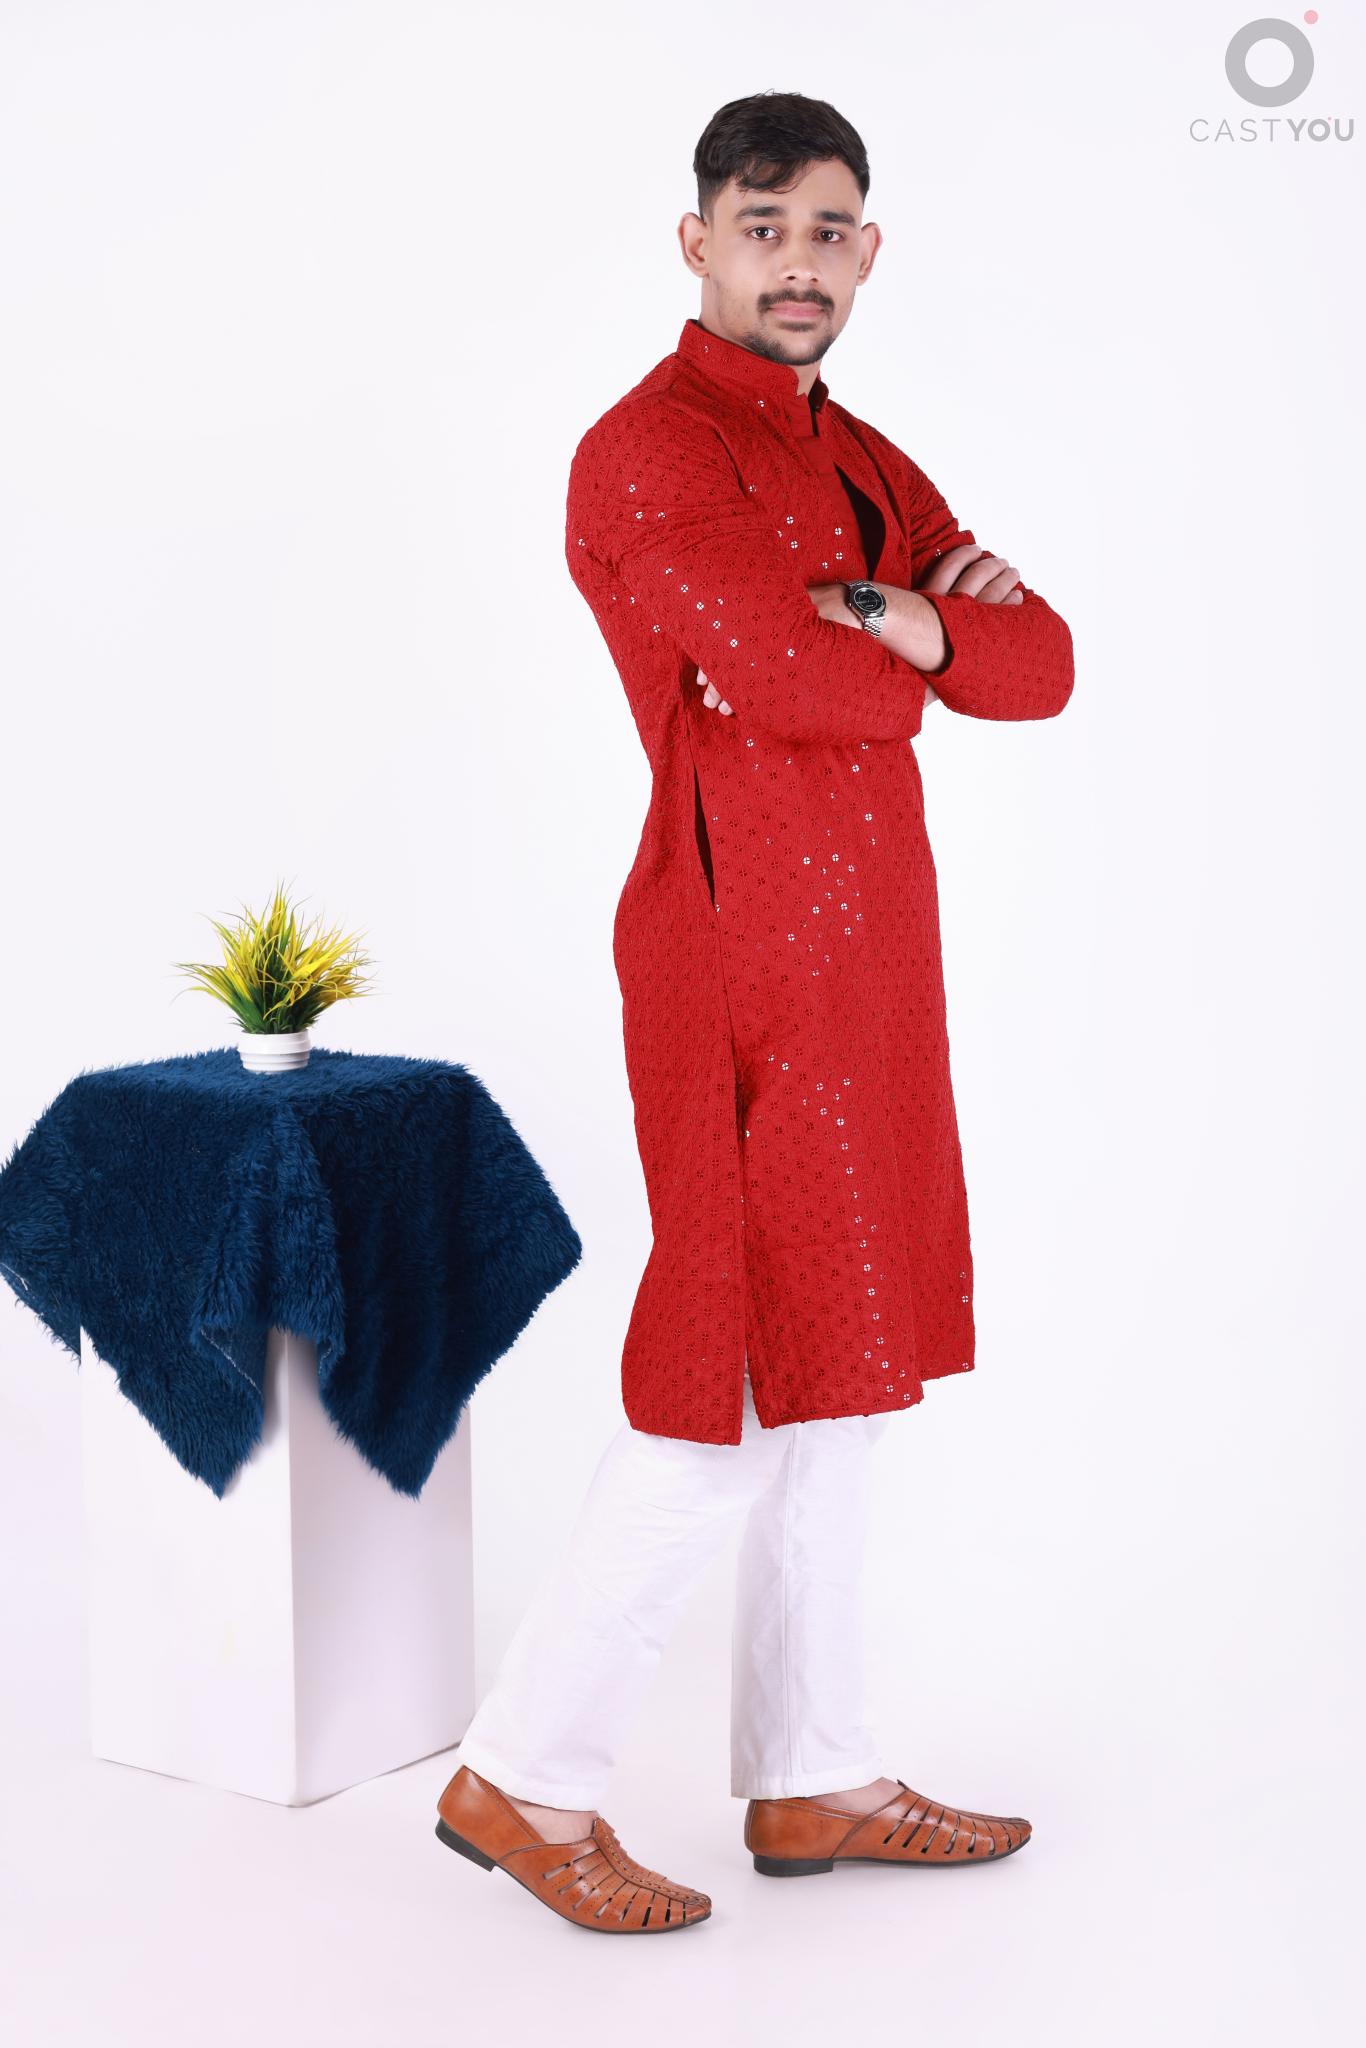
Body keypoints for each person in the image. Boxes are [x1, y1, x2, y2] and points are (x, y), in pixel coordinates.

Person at [434, 89, 1074, 1935]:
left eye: (828, 230)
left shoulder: (856, 453)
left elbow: (1037, 664)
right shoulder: (647, 451)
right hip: (732, 951)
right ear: (697, 241)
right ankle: (522, 1776)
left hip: (870, 958)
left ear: (867, 251)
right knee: (724, 1371)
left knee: (842, 1365)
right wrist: (896, 637)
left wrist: (899, 617)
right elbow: (802, 686)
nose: (798, 262)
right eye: (763, 225)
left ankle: (815, 1772)